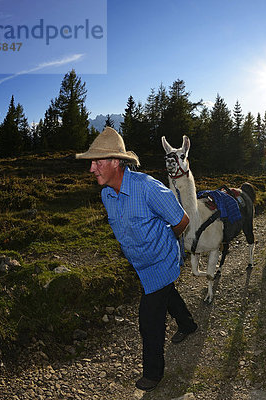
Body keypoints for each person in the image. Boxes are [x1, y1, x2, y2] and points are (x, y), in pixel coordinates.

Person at [76, 127, 198, 392]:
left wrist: (165, 244)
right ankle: (188, 324)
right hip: (141, 265)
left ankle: (153, 374)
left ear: (116, 162)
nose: (91, 169)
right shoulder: (106, 194)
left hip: (162, 260)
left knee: (149, 319)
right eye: (91, 162)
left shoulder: (148, 188)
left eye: (98, 162)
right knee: (167, 293)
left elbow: (182, 220)